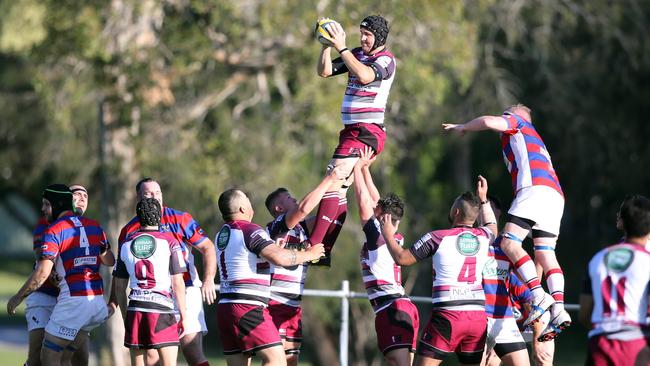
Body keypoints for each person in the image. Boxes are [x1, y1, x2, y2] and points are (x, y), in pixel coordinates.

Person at [443, 104, 569, 339]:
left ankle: (538, 294)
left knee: (509, 243)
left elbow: (489, 122)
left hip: (535, 189)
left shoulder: (518, 124)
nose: (504, 118)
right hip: (555, 196)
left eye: (507, 114)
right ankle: (560, 310)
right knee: (545, 254)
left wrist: (464, 127)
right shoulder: (537, 140)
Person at [380, 176, 498, 366]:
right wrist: (483, 199)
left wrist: (387, 234)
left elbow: (402, 258)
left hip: (449, 316)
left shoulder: (437, 237)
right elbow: (493, 227)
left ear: (456, 211)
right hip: (477, 317)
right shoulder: (483, 236)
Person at [312, 14, 396, 262]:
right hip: (351, 132)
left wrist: (342, 47)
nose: (362, 38)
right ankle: (324, 250)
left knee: (332, 179)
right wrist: (326, 47)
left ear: (379, 36)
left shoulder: (386, 60)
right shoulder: (355, 53)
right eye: (361, 33)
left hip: (367, 131)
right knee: (338, 190)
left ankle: (314, 245)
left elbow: (366, 76)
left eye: (367, 34)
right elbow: (325, 72)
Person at [111, 178, 216, 366]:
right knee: (152, 357)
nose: (155, 197)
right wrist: (114, 302)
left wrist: (208, 279)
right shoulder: (128, 231)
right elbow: (120, 275)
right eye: (148, 193)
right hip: (150, 296)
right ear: (138, 198)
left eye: (158, 192)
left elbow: (207, 248)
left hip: (185, 288)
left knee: (190, 346)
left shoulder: (180, 218)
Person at [215, 188, 325, 366]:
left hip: (225, 308)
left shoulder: (222, 234)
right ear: (243, 208)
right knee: (277, 361)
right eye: (247, 199)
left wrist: (274, 246)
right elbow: (280, 258)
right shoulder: (250, 230)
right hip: (247, 307)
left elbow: (247, 259)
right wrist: (309, 254)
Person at [8, 184, 114, 366]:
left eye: (46, 204)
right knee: (51, 358)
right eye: (76, 195)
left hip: (72, 302)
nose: (42, 209)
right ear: (67, 200)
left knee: (52, 357)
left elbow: (41, 272)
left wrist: (17, 298)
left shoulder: (58, 228)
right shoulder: (92, 227)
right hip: (77, 301)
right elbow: (110, 261)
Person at [264, 167, 345, 364]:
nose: (294, 199)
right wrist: (328, 179)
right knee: (276, 361)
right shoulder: (275, 227)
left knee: (291, 360)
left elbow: (331, 216)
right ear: (279, 209)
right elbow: (303, 209)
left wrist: (340, 188)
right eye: (288, 198)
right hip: (274, 304)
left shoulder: (301, 229)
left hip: (293, 306)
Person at [353, 147, 419, 366]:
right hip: (396, 307)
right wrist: (365, 169)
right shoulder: (393, 236)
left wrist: (355, 168)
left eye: (378, 209)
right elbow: (375, 200)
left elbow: (364, 201)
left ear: (382, 215)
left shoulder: (377, 234)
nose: (374, 207)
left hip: (393, 308)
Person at [113, 198, 188, 366]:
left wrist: (127, 316)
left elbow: (119, 286)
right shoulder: (170, 241)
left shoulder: (126, 243)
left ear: (138, 217)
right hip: (161, 309)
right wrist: (183, 315)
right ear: (160, 215)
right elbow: (178, 282)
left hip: (135, 309)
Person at [579, 195, 650, 366]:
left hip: (600, 345)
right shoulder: (646, 259)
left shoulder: (598, 258)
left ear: (624, 221)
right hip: (635, 346)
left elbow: (584, 314)